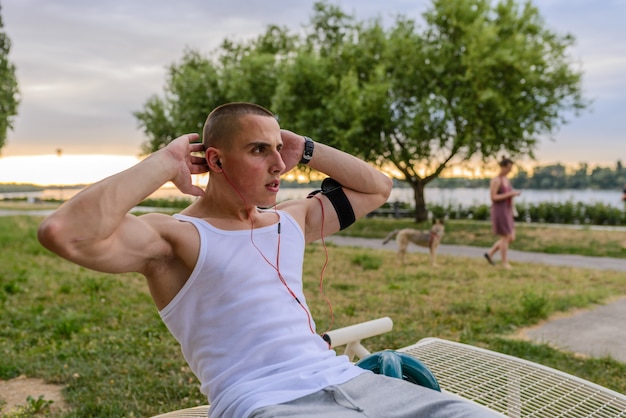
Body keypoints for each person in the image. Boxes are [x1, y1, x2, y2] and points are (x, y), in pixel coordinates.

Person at [38, 102, 499, 418]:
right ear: (214, 161)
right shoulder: (175, 237)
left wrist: (308, 150)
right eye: (260, 150)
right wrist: (167, 161)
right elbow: (64, 233)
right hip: (267, 403)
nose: (279, 164)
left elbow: (378, 187)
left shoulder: (291, 220)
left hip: (352, 382)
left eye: (280, 149)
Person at [484, 157, 521, 269]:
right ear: (503, 167)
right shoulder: (496, 180)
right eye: (509, 168)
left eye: (511, 168)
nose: (510, 170)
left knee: (511, 237)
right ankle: (505, 263)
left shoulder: (506, 180)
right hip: (499, 211)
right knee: (505, 237)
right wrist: (510, 194)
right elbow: (493, 197)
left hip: (507, 210)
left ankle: (490, 254)